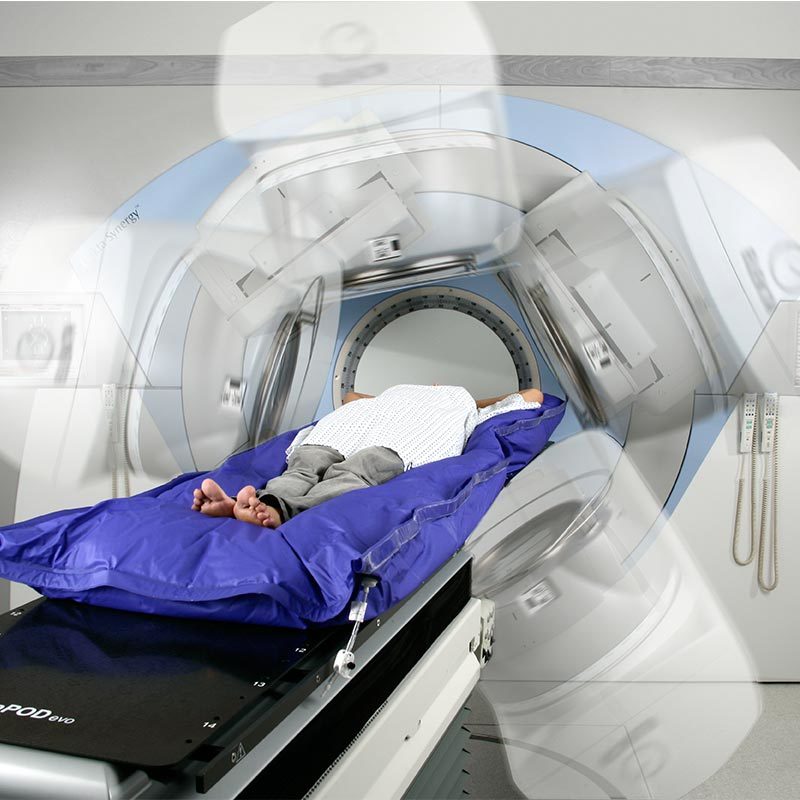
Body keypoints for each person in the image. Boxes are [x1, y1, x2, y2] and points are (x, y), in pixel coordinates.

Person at [192, 384, 544, 528]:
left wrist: (472, 398)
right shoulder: (397, 392)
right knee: (306, 467)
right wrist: (390, 397)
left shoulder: (466, 405)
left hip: (405, 437)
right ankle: (264, 505)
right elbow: (351, 398)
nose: (436, 385)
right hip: (355, 426)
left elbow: (533, 395)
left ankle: (273, 508)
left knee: (349, 472)